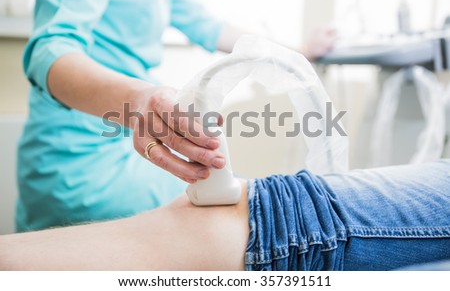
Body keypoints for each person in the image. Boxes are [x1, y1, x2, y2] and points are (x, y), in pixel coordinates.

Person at [17, 0, 336, 232]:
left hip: (129, 144)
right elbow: (51, 50)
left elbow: (211, 28)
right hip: (78, 157)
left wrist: (296, 53)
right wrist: (138, 100)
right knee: (234, 223)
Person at [2, 160, 449, 271]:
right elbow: (54, 48)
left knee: (260, 219)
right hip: (76, 169)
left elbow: (208, 26)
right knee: (269, 216)